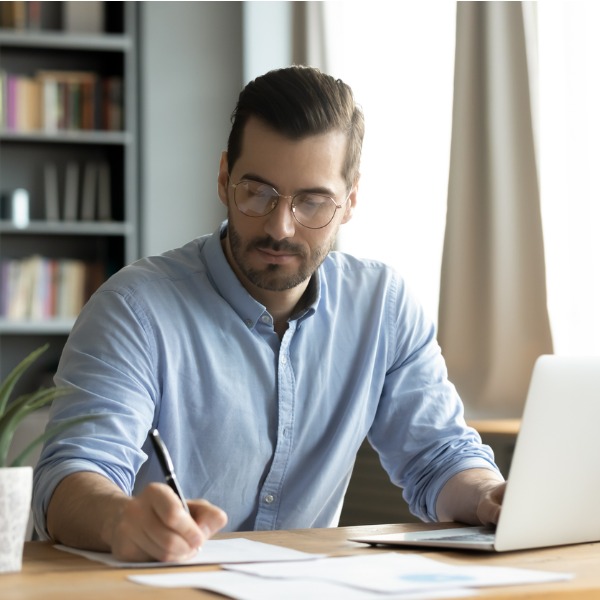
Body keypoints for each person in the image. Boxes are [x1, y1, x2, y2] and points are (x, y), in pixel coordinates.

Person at [32, 65, 505, 563]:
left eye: (312, 202)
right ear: (223, 178)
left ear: (350, 202)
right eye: (257, 193)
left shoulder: (382, 307)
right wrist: (119, 519)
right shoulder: (133, 309)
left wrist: (487, 496)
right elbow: (70, 477)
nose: (280, 227)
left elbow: (439, 457)